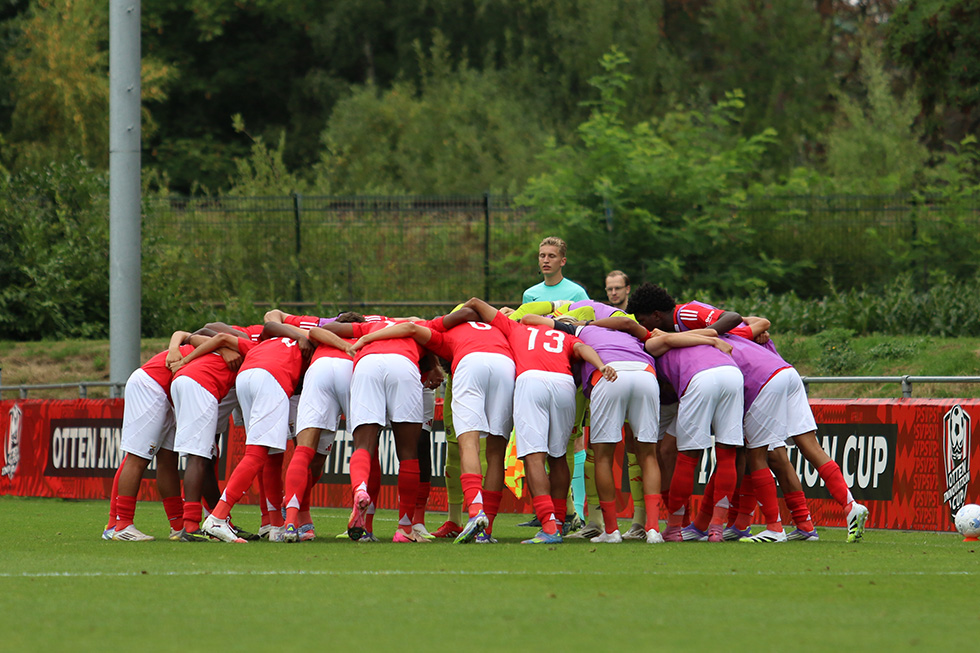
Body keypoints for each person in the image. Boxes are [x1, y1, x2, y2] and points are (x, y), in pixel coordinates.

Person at [348, 305, 515, 544]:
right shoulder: (502, 326)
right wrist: (500, 314)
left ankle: (475, 510)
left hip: (373, 364)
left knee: (467, 444)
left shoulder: (441, 332)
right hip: (504, 365)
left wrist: (365, 339)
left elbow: (411, 327)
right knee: (494, 453)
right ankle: (480, 530)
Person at [464, 297, 616, 544]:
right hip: (564, 384)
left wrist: (472, 305)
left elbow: (480, 305)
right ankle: (558, 521)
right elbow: (583, 349)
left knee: (534, 457)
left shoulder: (519, 327)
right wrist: (601, 365)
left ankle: (548, 526)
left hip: (531, 381)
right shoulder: (566, 336)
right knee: (558, 457)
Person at [201, 322, 313, 543]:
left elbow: (269, 325)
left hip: (245, 378)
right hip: (272, 379)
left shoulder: (265, 342)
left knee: (272, 455)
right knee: (256, 454)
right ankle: (218, 517)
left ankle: (275, 526)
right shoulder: (308, 343)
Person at [103, 330, 201, 541]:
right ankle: (121, 525)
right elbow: (187, 334)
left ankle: (178, 526)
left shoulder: (229, 342)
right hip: (151, 385)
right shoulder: (228, 341)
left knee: (168, 458)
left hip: (169, 392)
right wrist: (174, 348)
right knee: (137, 457)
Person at [522, 236, 589, 304]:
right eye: (542, 256)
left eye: (551, 256)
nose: (546, 260)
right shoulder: (529, 295)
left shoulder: (577, 293)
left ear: (563, 261)